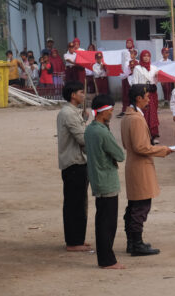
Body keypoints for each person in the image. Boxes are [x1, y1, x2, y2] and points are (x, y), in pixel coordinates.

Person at [121, 84, 173, 256]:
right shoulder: (135, 118)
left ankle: (132, 242)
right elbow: (141, 147)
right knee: (141, 206)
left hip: (135, 165)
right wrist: (162, 150)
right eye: (146, 96)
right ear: (138, 98)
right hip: (140, 166)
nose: (148, 99)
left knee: (135, 205)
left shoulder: (130, 116)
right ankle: (136, 244)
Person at [84, 94, 126, 269]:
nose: (112, 112)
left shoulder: (90, 129)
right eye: (110, 109)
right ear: (103, 112)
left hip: (96, 178)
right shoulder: (102, 131)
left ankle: (105, 258)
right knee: (107, 223)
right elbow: (120, 154)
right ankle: (107, 260)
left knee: (102, 219)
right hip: (107, 180)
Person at [56, 81, 91, 252]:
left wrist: (84, 120)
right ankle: (73, 241)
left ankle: (78, 238)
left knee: (80, 202)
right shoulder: (68, 113)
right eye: (81, 92)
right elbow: (82, 139)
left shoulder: (73, 112)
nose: (83, 95)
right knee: (74, 203)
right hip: (74, 163)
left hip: (79, 161)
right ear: (73, 95)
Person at [131, 50, 161, 143]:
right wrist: (140, 91)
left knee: (153, 113)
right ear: (141, 57)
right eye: (144, 56)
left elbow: (157, 79)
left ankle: (153, 135)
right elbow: (134, 82)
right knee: (144, 113)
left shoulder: (154, 68)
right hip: (142, 94)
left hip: (152, 94)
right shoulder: (137, 68)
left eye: (148, 56)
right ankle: (144, 135)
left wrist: (156, 79)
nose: (146, 57)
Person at [117, 49, 136, 117]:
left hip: (130, 80)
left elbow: (130, 72)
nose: (125, 56)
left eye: (126, 55)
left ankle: (129, 110)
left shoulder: (132, 62)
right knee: (125, 95)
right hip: (125, 80)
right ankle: (125, 109)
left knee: (129, 95)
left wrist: (124, 75)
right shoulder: (124, 62)